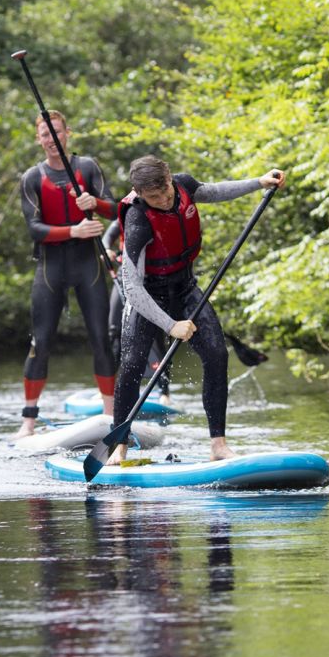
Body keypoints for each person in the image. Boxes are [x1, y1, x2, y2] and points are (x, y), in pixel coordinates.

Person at [109, 155, 285, 464]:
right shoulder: (138, 220)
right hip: (149, 297)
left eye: (165, 191)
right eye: (154, 198)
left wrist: (258, 182)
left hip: (186, 289)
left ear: (170, 179)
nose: (163, 200)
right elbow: (133, 289)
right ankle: (118, 446)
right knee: (133, 363)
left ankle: (218, 444)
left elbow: (214, 191)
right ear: (139, 194)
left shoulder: (184, 185)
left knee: (217, 354)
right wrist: (170, 325)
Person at [15, 110, 117, 438]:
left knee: (101, 339)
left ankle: (110, 414)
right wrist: (74, 231)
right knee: (40, 342)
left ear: (67, 133)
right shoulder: (32, 177)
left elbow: (116, 209)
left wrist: (95, 203)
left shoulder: (87, 168)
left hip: (88, 265)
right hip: (51, 268)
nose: (52, 140)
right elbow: (34, 228)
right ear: (39, 139)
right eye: (46, 134)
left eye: (56, 133)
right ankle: (28, 422)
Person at [103, 220, 171, 405]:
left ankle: (164, 391)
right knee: (114, 331)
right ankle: (111, 390)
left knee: (155, 332)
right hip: (126, 277)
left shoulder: (160, 215)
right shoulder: (126, 215)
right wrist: (107, 249)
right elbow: (106, 238)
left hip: (153, 279)